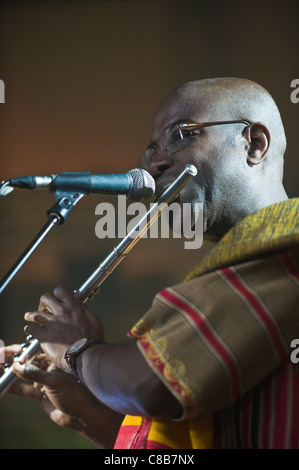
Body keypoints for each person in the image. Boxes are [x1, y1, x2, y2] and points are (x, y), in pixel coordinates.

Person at [1, 78, 298, 449]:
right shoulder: (240, 270)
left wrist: (77, 350)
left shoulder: (288, 249)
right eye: (152, 149)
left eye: (180, 135)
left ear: (254, 144)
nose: (156, 162)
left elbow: (153, 386)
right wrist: (90, 414)